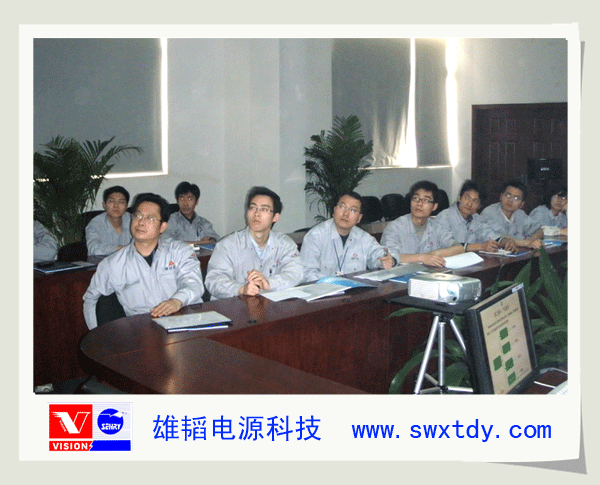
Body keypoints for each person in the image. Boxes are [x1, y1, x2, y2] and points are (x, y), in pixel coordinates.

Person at [83, 192, 204, 330]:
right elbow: (91, 298)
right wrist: (97, 335)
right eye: (137, 216)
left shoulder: (180, 251)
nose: (141, 222)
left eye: (150, 218)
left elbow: (193, 284)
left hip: (185, 322)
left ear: (163, 227)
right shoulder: (112, 263)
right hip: (143, 330)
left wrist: (177, 301)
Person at [205, 186, 303, 299]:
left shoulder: (285, 244)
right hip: (233, 306)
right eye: (252, 208)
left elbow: (296, 273)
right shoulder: (227, 245)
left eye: (264, 209)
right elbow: (214, 281)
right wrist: (241, 289)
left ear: (275, 217)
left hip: (270, 305)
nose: (256, 213)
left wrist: (269, 283)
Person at [300, 192, 397, 282]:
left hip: (355, 290)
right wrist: (333, 284)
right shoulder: (315, 236)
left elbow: (380, 254)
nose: (346, 214)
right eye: (342, 207)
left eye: (353, 210)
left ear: (359, 218)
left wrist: (389, 260)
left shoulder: (364, 238)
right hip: (323, 291)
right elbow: (307, 273)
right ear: (334, 210)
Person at [380, 180, 464, 267]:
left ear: (434, 206)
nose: (419, 203)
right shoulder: (394, 227)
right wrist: (422, 258)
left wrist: (433, 254)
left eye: (426, 200)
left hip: (430, 273)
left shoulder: (436, 226)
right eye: (416, 198)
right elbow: (389, 258)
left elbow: (459, 248)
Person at [434, 180, 517, 253]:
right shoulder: (444, 216)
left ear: (479, 206)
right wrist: (481, 246)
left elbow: (489, 234)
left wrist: (505, 242)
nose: (469, 204)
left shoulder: (476, 218)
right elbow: (446, 244)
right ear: (459, 198)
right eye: (467, 198)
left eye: (475, 201)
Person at [479, 180, 544, 249]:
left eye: (516, 198)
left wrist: (533, 239)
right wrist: (526, 243)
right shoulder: (489, 212)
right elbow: (495, 237)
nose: (510, 200)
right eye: (508, 195)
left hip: (516, 253)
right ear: (501, 196)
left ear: (522, 204)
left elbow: (540, 230)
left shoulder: (520, 214)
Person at [85, 185, 132, 256]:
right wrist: (119, 249)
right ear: (104, 205)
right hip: (102, 261)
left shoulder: (132, 220)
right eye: (111, 201)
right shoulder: (95, 223)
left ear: (126, 206)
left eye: (121, 202)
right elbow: (93, 248)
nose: (116, 206)